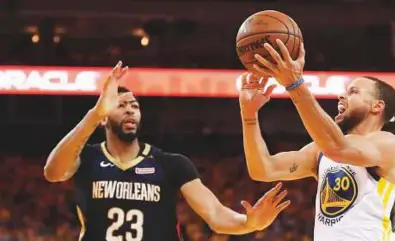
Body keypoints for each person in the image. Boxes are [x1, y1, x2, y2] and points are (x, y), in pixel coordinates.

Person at [44, 61, 290, 241]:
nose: (130, 110)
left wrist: (249, 223)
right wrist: (94, 114)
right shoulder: (87, 158)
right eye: (120, 105)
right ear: (104, 118)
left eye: (135, 106)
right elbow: (53, 172)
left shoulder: (171, 163)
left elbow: (215, 214)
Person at [238, 40, 395, 241]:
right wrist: (249, 116)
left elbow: (337, 148)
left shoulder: (388, 144)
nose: (342, 96)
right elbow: (263, 169)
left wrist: (295, 84)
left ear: (377, 106)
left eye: (353, 92)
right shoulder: (320, 151)